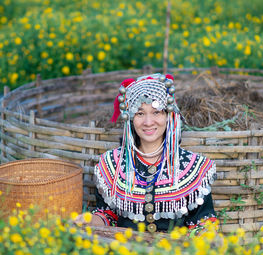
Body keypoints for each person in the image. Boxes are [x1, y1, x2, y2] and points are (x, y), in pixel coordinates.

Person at [76, 73, 217, 234]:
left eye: (156, 112)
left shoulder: (193, 167)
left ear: (168, 115)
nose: (148, 122)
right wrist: (90, 221)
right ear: (130, 118)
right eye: (140, 113)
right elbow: (108, 215)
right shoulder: (111, 166)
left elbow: (204, 221)